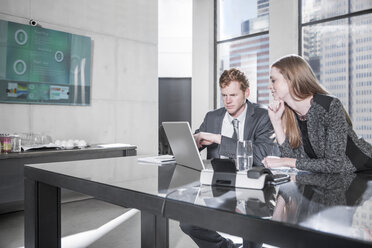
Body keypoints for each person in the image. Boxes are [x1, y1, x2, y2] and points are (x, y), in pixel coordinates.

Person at [180, 68, 275, 248]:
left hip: (252, 189)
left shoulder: (262, 116)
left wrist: (218, 139)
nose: (227, 101)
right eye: (224, 95)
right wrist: (189, 145)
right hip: (218, 185)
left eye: (233, 94)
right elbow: (194, 147)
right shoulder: (212, 117)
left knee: (252, 232)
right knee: (188, 222)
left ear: (246, 93)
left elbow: (261, 155)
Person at [262, 54, 372, 173]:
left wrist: (283, 161)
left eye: (273, 80)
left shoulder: (329, 105)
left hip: (363, 173)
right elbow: (294, 158)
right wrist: (276, 122)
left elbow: (334, 164)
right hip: (333, 179)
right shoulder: (290, 113)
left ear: (291, 79)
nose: (269, 86)